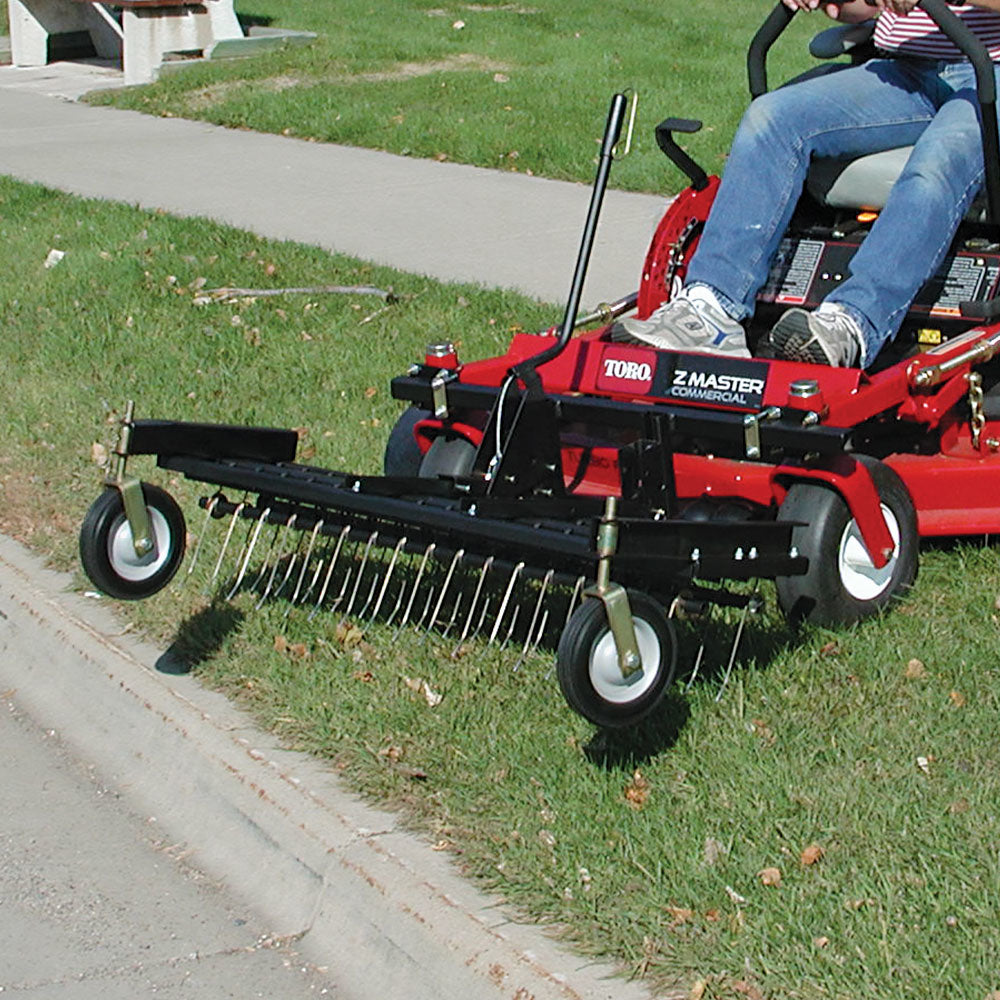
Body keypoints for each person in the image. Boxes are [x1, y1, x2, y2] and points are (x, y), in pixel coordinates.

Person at [616, 0, 1000, 367]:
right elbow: (869, 10)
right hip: (905, 71)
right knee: (771, 118)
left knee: (935, 166)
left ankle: (854, 322)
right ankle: (711, 308)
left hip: (992, 71)